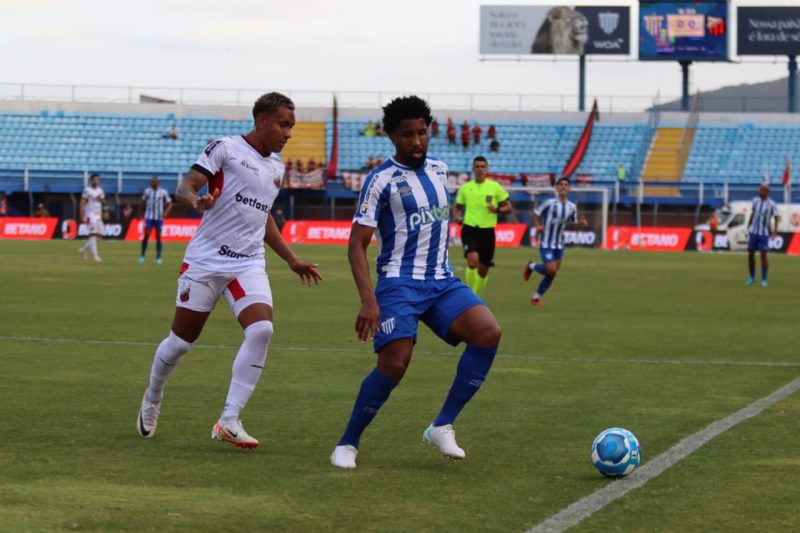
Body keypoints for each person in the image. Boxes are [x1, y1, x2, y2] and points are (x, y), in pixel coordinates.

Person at [136, 92, 322, 449]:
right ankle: (154, 395)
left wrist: (291, 259)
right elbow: (184, 187)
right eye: (284, 124)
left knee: (262, 330)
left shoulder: (277, 168)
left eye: (292, 126)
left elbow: (263, 216)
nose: (288, 133)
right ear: (262, 120)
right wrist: (196, 201)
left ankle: (229, 420)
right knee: (179, 344)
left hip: (247, 262)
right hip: (206, 261)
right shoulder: (225, 148)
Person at [330, 96, 502, 469]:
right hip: (398, 283)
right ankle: (347, 442)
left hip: (440, 281)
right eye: (407, 134)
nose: (417, 140)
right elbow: (355, 245)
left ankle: (442, 425)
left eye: (422, 132)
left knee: (488, 333)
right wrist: (368, 300)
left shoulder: (440, 171)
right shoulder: (380, 181)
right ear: (391, 136)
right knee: (394, 364)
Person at [522, 177, 587, 306]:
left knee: (552, 273)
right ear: (556, 188)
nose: (563, 187)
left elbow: (571, 225)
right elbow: (535, 214)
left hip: (559, 244)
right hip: (546, 242)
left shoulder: (572, 207)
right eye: (561, 184)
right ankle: (531, 266)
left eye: (566, 185)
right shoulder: (549, 203)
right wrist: (537, 225)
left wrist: (581, 224)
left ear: (569, 189)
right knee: (551, 270)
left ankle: (536, 298)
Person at [453, 156, 512, 295]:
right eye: (477, 166)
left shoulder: (495, 187)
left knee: (484, 269)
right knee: (472, 261)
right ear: (473, 169)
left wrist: (497, 210)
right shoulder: (466, 188)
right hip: (470, 229)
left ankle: (476, 296)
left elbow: (509, 207)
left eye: (482, 167)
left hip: (488, 232)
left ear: (487, 169)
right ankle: (469, 295)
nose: (480, 169)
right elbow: (457, 207)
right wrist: (458, 217)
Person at [745, 183, 779, 287]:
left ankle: (764, 279)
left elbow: (776, 217)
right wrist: (748, 226)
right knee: (750, 254)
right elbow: (753, 213)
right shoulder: (755, 201)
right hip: (754, 232)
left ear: (767, 192)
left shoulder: (772, 204)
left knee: (763, 255)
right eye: (760, 190)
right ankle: (752, 277)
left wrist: (775, 231)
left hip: (764, 233)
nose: (760, 192)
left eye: (762, 190)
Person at [138, 176, 173, 265]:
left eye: (153, 182)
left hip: (159, 218)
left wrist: (166, 213)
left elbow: (170, 203)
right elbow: (143, 202)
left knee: (158, 237)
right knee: (146, 235)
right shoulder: (147, 191)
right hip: (148, 217)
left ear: (157, 182)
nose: (152, 183)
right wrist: (139, 212)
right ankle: (142, 255)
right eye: (151, 182)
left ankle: (158, 257)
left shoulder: (163, 192)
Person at [78, 173, 105, 262]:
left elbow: (103, 202)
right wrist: (82, 214)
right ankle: (95, 256)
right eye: (94, 180)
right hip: (90, 214)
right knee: (92, 234)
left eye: (97, 180)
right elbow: (82, 202)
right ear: (91, 180)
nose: (95, 181)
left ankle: (83, 249)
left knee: (100, 236)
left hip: (98, 215)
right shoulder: (87, 190)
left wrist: (100, 199)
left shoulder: (100, 190)